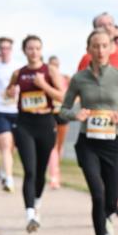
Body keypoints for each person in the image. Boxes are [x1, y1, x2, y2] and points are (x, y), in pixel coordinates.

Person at [61, 28, 118, 235]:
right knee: (97, 193)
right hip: (88, 144)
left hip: (112, 143)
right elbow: (62, 110)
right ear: (89, 50)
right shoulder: (79, 79)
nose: (100, 50)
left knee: (111, 198)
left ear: (110, 48)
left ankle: (107, 218)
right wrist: (76, 114)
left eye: (105, 45)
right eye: (96, 46)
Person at [78, 13, 118, 215]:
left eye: (110, 24)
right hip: (96, 122)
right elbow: (80, 84)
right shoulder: (87, 58)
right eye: (101, 25)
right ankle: (106, 196)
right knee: (102, 164)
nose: (107, 27)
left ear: (115, 29)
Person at [6, 36, 65, 233]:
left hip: (46, 123)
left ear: (41, 50)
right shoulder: (19, 73)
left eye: (37, 48)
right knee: (29, 170)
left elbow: (63, 97)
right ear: (24, 51)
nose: (34, 52)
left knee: (40, 171)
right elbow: (8, 92)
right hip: (25, 123)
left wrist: (44, 86)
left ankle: (37, 203)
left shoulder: (50, 71)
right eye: (30, 48)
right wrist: (11, 93)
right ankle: (30, 214)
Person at [0, 37, 19, 192]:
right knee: (5, 145)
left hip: (17, 110)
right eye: (2, 48)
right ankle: (9, 179)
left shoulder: (18, 67)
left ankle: (3, 169)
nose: (4, 50)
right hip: (0, 111)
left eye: (7, 48)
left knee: (12, 147)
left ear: (11, 49)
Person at [45, 55, 71, 190]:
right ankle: (54, 176)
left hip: (62, 113)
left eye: (56, 64)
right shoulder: (45, 79)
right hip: (50, 114)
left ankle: (56, 171)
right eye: (52, 64)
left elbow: (73, 95)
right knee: (53, 147)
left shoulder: (65, 79)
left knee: (59, 146)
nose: (54, 67)